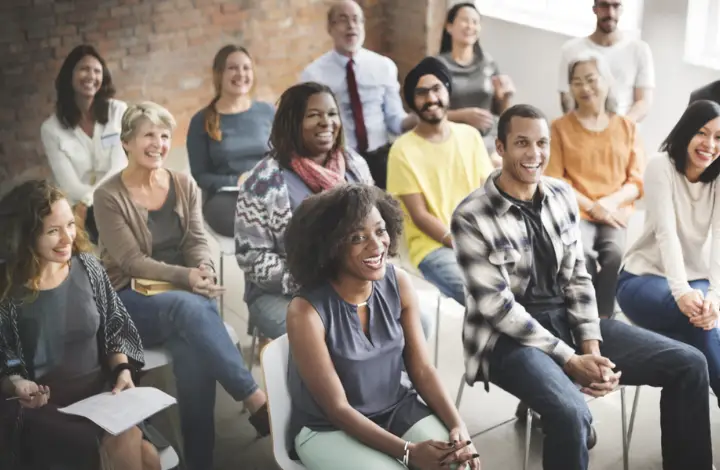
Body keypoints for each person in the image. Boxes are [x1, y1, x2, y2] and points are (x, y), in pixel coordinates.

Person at [451, 104, 713, 470]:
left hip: (567, 321)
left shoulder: (560, 196)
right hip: (505, 341)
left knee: (689, 363)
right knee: (569, 412)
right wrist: (571, 360)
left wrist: (591, 347)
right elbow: (498, 308)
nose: (534, 154)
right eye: (522, 143)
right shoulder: (471, 216)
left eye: (542, 143)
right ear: (500, 147)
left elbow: (577, 278)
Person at [93, 101, 269, 470]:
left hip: (182, 301)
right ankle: (254, 398)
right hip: (131, 300)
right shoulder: (108, 196)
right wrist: (186, 278)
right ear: (126, 142)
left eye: (163, 135)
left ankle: (200, 463)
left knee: (193, 358)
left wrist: (202, 268)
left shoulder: (183, 183)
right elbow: (130, 262)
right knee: (189, 307)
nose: (158, 143)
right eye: (148, 135)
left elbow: (196, 239)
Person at [284, 183, 480, 470]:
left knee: (458, 464)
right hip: (329, 428)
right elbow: (337, 409)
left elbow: (422, 370)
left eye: (380, 230)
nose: (376, 245)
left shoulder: (398, 283)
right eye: (357, 237)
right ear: (330, 246)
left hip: (396, 408)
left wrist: (458, 427)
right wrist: (408, 453)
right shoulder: (305, 312)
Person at [0, 180, 157, 470]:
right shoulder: (7, 291)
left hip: (102, 396)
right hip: (46, 410)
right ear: (25, 236)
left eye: (70, 225)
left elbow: (114, 329)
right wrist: (19, 384)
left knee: (148, 458)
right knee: (133, 456)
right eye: (53, 231)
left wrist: (122, 369)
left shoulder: (88, 266)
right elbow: (6, 362)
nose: (67, 239)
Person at [616, 99, 720, 399]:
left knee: (699, 327)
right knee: (701, 323)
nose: (709, 144)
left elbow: (719, 236)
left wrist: (714, 298)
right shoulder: (660, 165)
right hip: (641, 279)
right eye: (702, 132)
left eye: (718, 137)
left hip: (696, 282)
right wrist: (682, 292)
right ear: (687, 130)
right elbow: (667, 234)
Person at [386, 57, 493, 306]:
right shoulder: (402, 150)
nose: (431, 99)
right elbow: (420, 216)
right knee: (479, 296)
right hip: (432, 248)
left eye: (436, 89)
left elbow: (487, 193)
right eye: (421, 93)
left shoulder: (470, 136)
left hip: (478, 238)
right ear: (412, 101)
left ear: (447, 92)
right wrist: (460, 243)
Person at [545, 52, 643, 319]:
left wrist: (610, 204)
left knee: (614, 255)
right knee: (582, 255)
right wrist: (594, 207)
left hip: (615, 211)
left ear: (607, 81)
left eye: (591, 79)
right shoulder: (559, 127)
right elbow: (555, 179)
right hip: (577, 210)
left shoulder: (627, 127)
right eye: (577, 82)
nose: (585, 88)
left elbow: (636, 180)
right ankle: (581, 317)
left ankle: (604, 321)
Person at [300, 0, 417, 189]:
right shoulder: (314, 74)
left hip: (381, 156)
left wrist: (417, 118)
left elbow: (395, 121)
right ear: (330, 27)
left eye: (356, 20)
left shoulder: (383, 66)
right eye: (343, 19)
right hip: (339, 160)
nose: (351, 26)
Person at [41, 44, 128, 244]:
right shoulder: (51, 128)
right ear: (69, 76)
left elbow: (119, 166)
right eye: (84, 69)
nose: (91, 76)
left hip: (117, 195)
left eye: (97, 71)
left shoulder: (118, 111)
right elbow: (69, 185)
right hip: (80, 207)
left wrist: (93, 198)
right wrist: (89, 202)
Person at [187, 45, 275, 237]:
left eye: (246, 68)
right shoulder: (201, 121)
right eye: (233, 68)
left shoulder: (267, 112)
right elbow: (200, 175)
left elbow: (283, 156)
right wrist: (238, 180)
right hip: (226, 197)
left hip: (270, 188)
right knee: (256, 225)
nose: (240, 73)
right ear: (219, 73)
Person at [438, 2, 514, 161]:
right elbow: (424, 115)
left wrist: (505, 97)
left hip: (488, 139)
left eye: (475, 22)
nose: (470, 26)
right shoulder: (437, 66)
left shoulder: (488, 63)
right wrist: (463, 116)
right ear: (449, 27)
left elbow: (500, 113)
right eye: (464, 20)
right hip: (451, 140)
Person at [558, 0, 654, 122]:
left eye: (615, 6)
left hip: (623, 134)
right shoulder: (571, 50)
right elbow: (567, 100)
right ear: (595, 9)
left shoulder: (640, 50)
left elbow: (643, 102)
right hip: (582, 132)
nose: (610, 13)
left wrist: (619, 127)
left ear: (621, 9)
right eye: (604, 5)